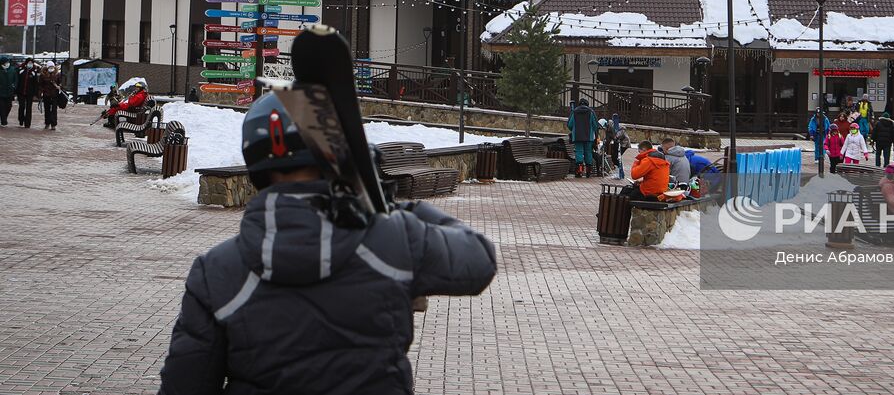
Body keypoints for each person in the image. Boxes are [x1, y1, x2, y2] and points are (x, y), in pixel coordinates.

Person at [158, 90, 497, 394]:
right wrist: (395, 208)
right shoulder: (393, 239)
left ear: (257, 164)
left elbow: (186, 383)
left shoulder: (216, 271)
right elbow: (478, 259)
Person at [566, 101, 598, 177]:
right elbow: (595, 125)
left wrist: (573, 130)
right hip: (589, 136)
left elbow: (569, 124)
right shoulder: (591, 112)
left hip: (577, 136)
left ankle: (579, 171)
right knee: (588, 152)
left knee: (579, 152)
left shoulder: (574, 112)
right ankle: (588, 172)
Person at [603, 116, 630, 180]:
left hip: (624, 143)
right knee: (614, 157)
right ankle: (618, 172)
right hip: (617, 143)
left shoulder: (615, 126)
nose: (603, 129)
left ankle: (620, 173)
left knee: (617, 158)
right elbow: (608, 139)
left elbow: (622, 130)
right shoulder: (608, 129)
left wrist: (616, 137)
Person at [16, 59, 40, 129]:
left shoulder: (34, 72)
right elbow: (17, 81)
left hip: (30, 93)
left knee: (29, 108)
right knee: (22, 106)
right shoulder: (21, 70)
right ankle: (21, 119)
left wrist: (36, 93)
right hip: (21, 92)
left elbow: (36, 84)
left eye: (31, 63)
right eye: (29, 63)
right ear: (26, 63)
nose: (30, 64)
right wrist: (16, 91)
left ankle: (27, 123)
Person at [39, 65, 62, 130]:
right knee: (47, 109)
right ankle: (47, 123)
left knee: (54, 110)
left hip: (54, 95)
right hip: (46, 94)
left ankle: (53, 124)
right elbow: (40, 85)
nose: (51, 69)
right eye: (50, 67)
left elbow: (60, 83)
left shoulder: (57, 74)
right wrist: (40, 93)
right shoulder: (43, 75)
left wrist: (59, 86)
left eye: (52, 67)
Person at [0, 56, 16, 126]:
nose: (8, 63)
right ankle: (3, 121)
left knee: (9, 106)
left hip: (9, 92)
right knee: (2, 107)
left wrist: (14, 86)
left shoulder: (12, 70)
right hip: (1, 92)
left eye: (8, 62)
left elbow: (16, 79)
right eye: (6, 62)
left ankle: (4, 117)